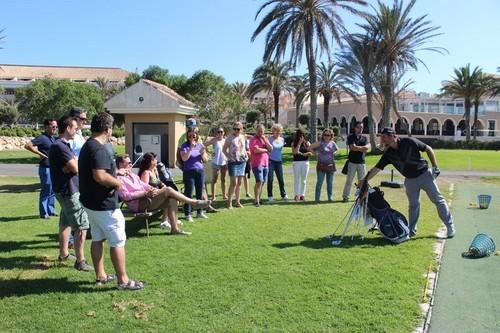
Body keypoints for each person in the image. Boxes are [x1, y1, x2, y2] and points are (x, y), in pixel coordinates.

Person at [79, 112, 144, 290]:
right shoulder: (98, 148)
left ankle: (101, 275)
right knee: (117, 241)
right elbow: (99, 176)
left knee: (98, 238)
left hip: (91, 203)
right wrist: (118, 183)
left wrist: (117, 174)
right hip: (104, 205)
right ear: (107, 129)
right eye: (111, 129)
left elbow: (100, 172)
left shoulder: (88, 145)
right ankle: (123, 281)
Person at [358, 127, 456, 239]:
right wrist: (364, 180)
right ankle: (411, 231)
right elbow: (376, 168)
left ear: (392, 136)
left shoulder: (409, 141)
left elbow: (428, 149)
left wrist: (435, 166)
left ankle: (450, 226)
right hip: (409, 180)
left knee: (438, 200)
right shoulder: (388, 153)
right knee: (413, 206)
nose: (382, 139)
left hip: (425, 175)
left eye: (384, 136)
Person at [116, 154, 209, 235]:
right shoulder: (119, 179)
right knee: (167, 190)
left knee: (172, 199)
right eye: (128, 163)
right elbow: (126, 196)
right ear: (121, 165)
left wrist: (151, 190)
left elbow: (144, 185)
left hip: (147, 199)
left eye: (131, 162)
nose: (131, 164)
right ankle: (193, 202)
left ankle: (175, 229)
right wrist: (145, 193)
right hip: (139, 204)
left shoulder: (133, 175)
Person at [48, 115, 92, 270]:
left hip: (64, 190)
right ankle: (80, 261)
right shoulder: (60, 146)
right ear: (67, 128)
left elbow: (71, 165)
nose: (77, 129)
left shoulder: (60, 145)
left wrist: (71, 164)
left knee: (65, 222)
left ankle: (64, 253)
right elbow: (76, 168)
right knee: (81, 225)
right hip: (69, 191)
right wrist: (72, 164)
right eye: (75, 127)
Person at [24, 118, 58, 219]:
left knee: (53, 190)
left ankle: (51, 210)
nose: (55, 128)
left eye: (56, 126)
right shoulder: (42, 138)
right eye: (53, 126)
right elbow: (27, 145)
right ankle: (43, 213)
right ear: (47, 127)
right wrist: (40, 153)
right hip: (45, 168)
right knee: (46, 189)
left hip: (53, 168)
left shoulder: (53, 138)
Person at [180, 128, 209, 222]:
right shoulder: (184, 146)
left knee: (199, 192)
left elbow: (205, 160)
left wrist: (202, 153)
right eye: (190, 136)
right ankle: (188, 214)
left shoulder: (200, 145)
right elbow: (184, 159)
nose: (192, 137)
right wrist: (191, 148)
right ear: (187, 137)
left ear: (197, 136)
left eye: (194, 136)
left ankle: (200, 212)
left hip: (199, 171)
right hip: (188, 171)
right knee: (188, 193)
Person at [342, 122, 371, 202]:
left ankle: (360, 197)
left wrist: (357, 147)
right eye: (358, 127)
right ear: (355, 128)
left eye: (361, 127)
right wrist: (362, 148)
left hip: (362, 163)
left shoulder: (365, 138)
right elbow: (352, 148)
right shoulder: (351, 137)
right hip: (352, 162)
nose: (360, 129)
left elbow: (367, 148)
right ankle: (345, 196)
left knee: (362, 182)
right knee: (349, 180)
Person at [223, 122, 248, 209]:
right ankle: (229, 203)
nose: (236, 130)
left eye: (238, 129)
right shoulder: (230, 137)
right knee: (234, 182)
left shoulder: (243, 137)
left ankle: (237, 202)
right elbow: (224, 149)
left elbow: (244, 148)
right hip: (233, 162)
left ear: (241, 129)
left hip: (242, 161)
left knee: (240, 183)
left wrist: (246, 154)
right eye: (235, 129)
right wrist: (229, 157)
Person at [310, 128, 339, 202]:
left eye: (328, 135)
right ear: (323, 135)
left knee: (330, 183)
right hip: (321, 165)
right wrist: (315, 153)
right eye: (325, 135)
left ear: (331, 136)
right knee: (319, 182)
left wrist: (334, 153)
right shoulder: (320, 143)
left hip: (330, 165)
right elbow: (310, 147)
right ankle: (317, 199)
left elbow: (337, 150)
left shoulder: (332, 143)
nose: (326, 136)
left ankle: (330, 198)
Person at [249, 124, 272, 206]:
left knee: (262, 182)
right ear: (256, 131)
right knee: (259, 181)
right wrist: (265, 150)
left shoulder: (264, 138)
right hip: (257, 163)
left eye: (262, 131)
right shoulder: (253, 139)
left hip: (266, 163)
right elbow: (256, 150)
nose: (260, 133)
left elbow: (271, 149)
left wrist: (265, 140)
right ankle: (256, 200)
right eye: (259, 131)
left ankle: (259, 198)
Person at [204, 128, 228, 201]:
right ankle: (213, 196)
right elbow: (204, 145)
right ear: (216, 133)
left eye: (221, 132)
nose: (220, 133)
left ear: (223, 133)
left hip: (224, 161)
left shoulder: (225, 140)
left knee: (223, 179)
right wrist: (210, 152)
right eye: (218, 132)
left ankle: (224, 195)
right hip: (216, 162)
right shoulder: (214, 140)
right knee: (214, 180)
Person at [267, 123, 288, 203]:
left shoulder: (282, 139)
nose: (278, 132)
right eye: (276, 131)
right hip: (271, 161)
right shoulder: (269, 139)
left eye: (279, 131)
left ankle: (283, 194)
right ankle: (270, 196)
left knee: (281, 179)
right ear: (273, 131)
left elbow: (280, 150)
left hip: (279, 162)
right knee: (270, 179)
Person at [291, 128, 312, 201]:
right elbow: (295, 152)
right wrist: (299, 143)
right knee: (296, 179)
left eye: (302, 135)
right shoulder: (294, 143)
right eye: (299, 135)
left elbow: (311, 152)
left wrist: (306, 154)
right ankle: (296, 195)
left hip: (305, 163)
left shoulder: (307, 143)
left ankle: (302, 195)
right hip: (296, 163)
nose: (301, 137)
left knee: (304, 180)